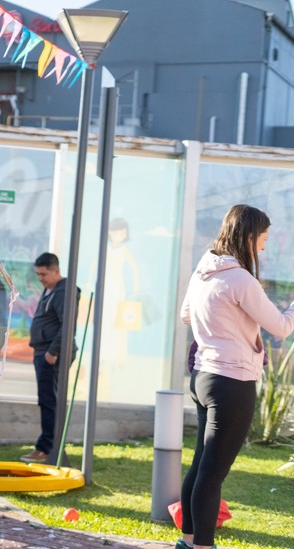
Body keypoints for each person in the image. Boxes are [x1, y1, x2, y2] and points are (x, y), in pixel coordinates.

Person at [177, 204, 294, 549]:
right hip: (232, 383)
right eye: (262, 239)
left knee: (201, 466)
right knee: (212, 474)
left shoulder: (205, 269)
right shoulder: (241, 279)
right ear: (247, 235)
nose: (263, 248)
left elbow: (186, 316)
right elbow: (282, 327)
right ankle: (202, 546)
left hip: (204, 377)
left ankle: (187, 542)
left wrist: (222, 324)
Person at [21, 252, 78, 464]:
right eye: (38, 274)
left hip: (51, 354)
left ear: (56, 270)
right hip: (44, 351)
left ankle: (46, 448)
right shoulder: (51, 289)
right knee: (46, 400)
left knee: (49, 401)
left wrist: (53, 351)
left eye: (44, 274)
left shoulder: (64, 292)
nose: (40, 279)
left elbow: (67, 326)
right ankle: (48, 446)